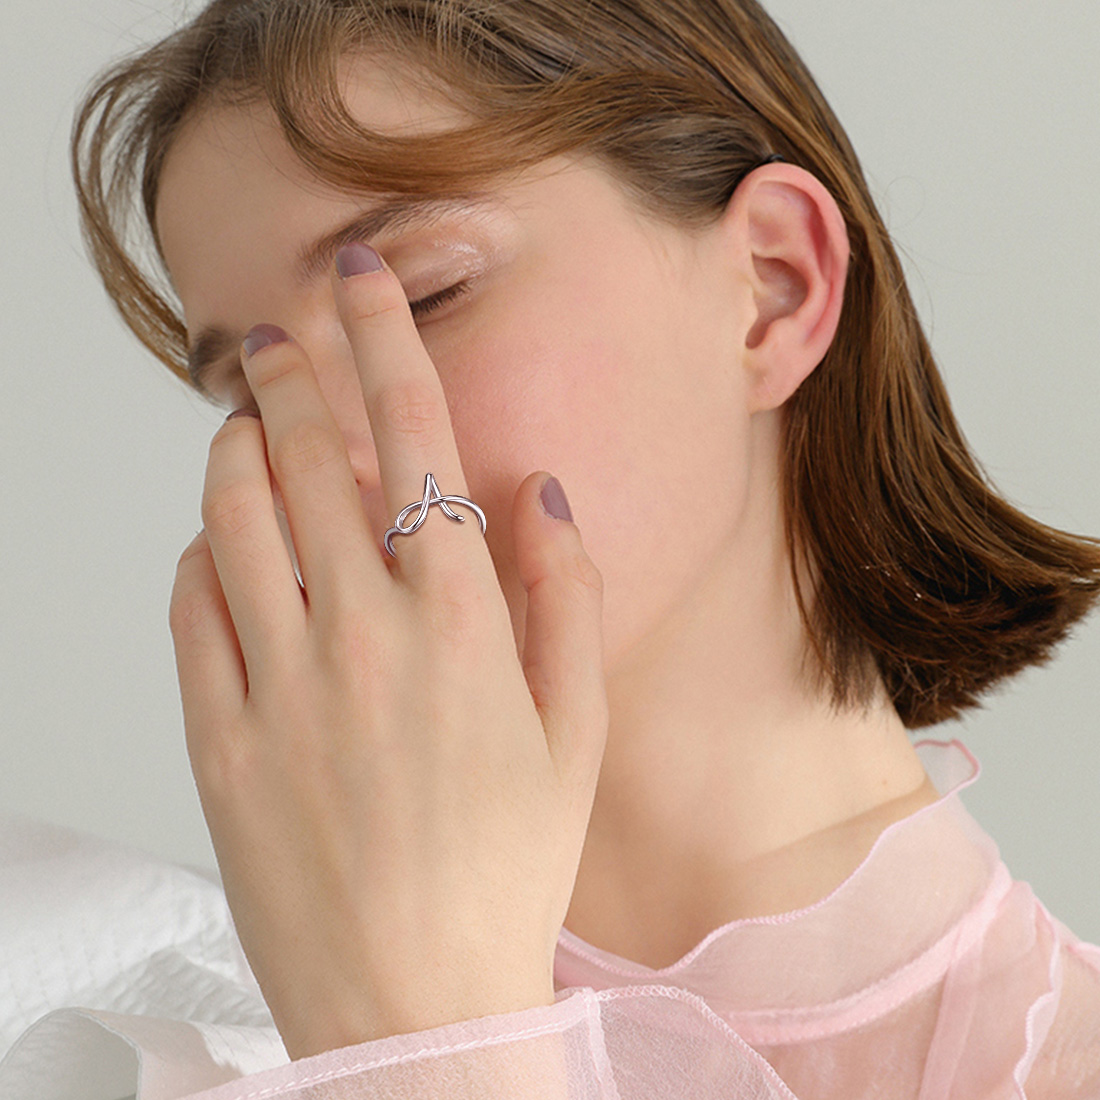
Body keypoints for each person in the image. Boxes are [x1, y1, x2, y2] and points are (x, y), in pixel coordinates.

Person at [1, 0, 1098, 1096]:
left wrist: (430, 1045)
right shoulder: (108, 1001)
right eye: (251, 391)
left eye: (422, 296)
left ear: (771, 285)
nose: (327, 450)